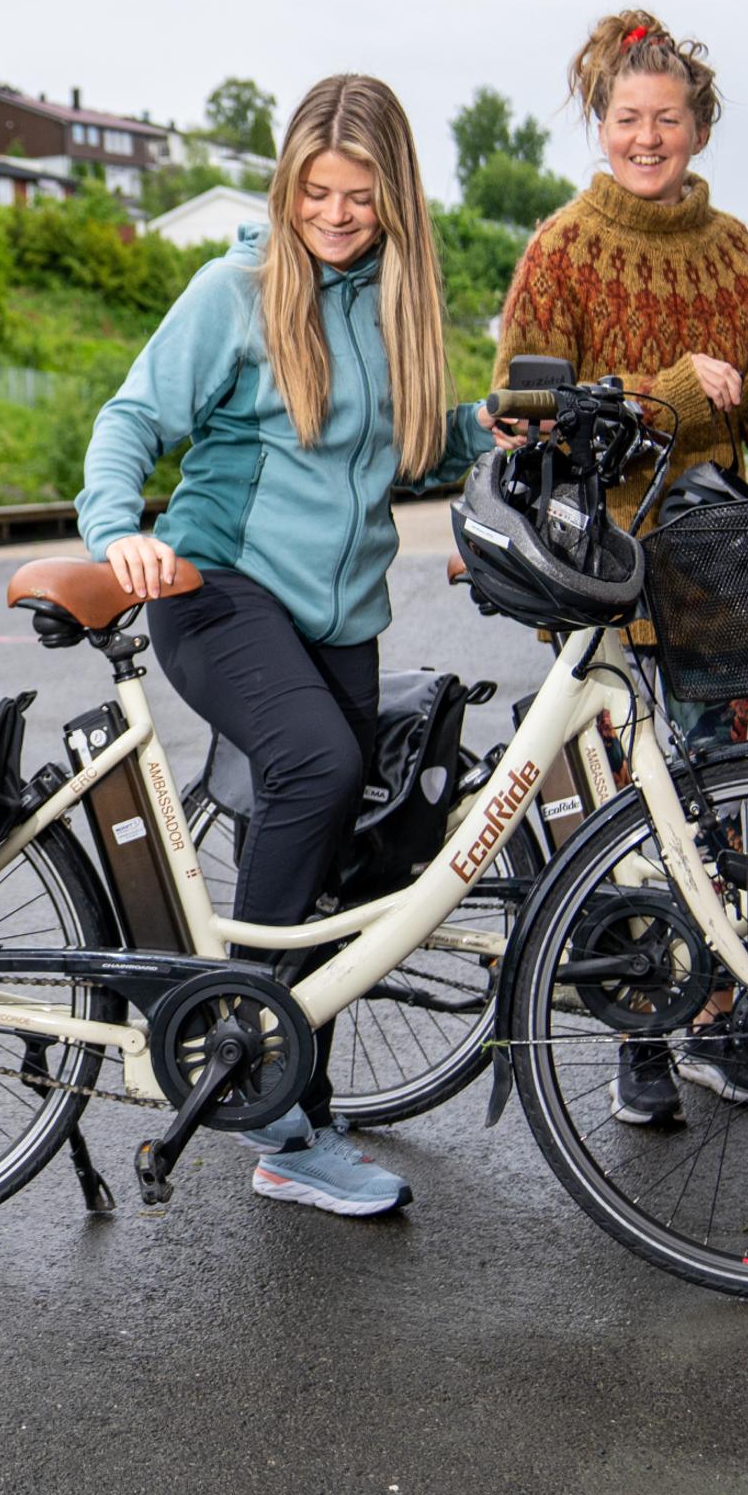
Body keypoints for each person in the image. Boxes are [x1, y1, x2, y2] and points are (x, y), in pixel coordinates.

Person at [80, 74, 486, 1219]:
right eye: (317, 190)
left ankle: (284, 1112)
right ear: (287, 183)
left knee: (341, 861)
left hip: (339, 615)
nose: (337, 213)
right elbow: (131, 419)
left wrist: (478, 426)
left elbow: (396, 457)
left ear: (393, 195)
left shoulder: (392, 302)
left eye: (360, 193)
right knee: (319, 764)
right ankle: (253, 1075)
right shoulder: (238, 289)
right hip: (219, 587)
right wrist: (119, 530)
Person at [491, 9, 748, 1129]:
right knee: (634, 800)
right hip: (606, 566)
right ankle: (643, 1029)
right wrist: (670, 394)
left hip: (717, 560)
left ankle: (718, 1017)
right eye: (628, 117)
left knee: (714, 788)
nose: (647, 136)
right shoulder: (562, 248)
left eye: (667, 118)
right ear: (601, 120)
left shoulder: (734, 247)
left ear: (699, 125)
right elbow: (521, 413)